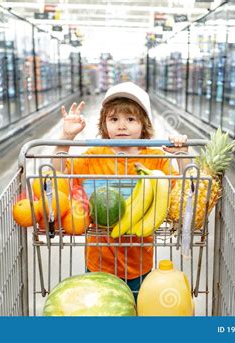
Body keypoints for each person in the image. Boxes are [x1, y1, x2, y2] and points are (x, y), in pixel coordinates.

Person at [52, 82, 188, 299]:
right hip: (98, 261)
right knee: (100, 312)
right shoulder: (92, 157)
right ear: (104, 125)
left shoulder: (156, 160)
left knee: (134, 310)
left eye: (130, 119)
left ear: (144, 125)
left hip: (140, 264)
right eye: (114, 119)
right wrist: (65, 139)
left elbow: (181, 196)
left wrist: (182, 156)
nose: (121, 126)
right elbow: (56, 177)